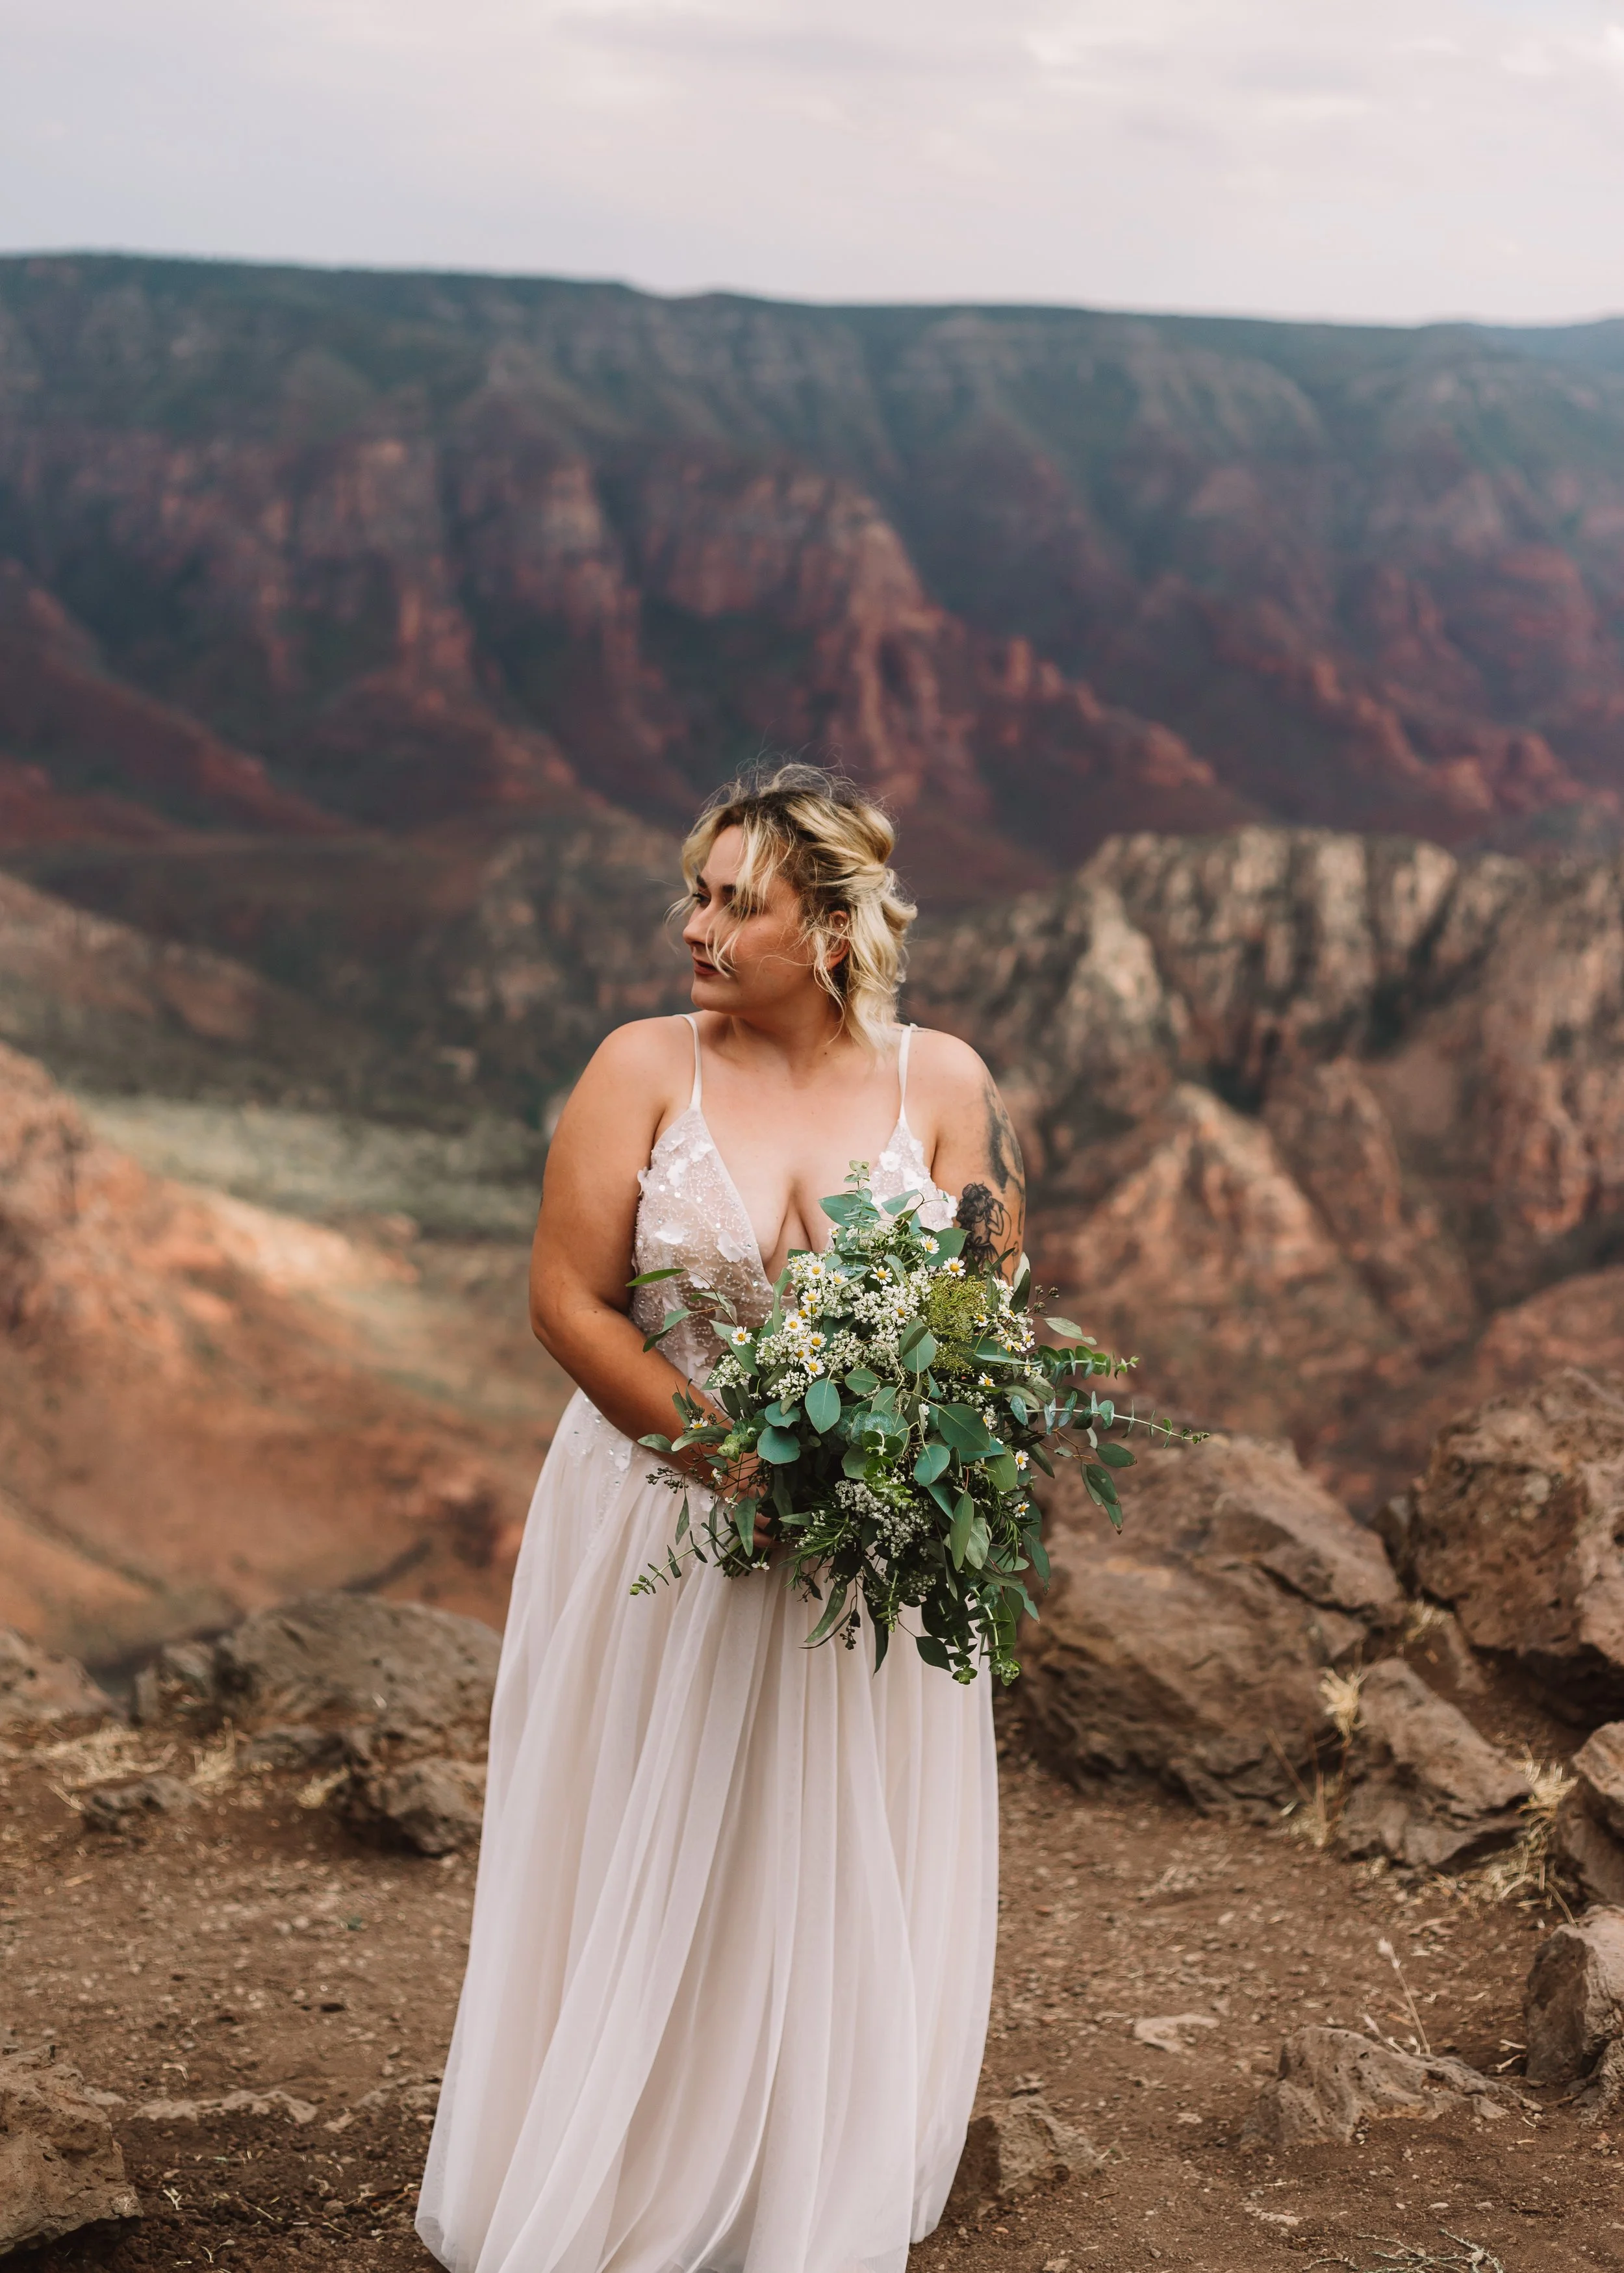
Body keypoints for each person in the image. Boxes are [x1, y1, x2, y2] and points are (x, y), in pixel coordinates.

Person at [418, 763, 1026, 2273]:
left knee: (825, 1837)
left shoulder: (940, 1084)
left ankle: (791, 2173)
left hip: (857, 1550)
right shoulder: (640, 1067)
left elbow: (991, 1295)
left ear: (827, 927)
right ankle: (617, 2163)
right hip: (656, 1527)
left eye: (730, 902)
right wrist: (739, 1466)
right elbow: (566, 1301)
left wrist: (891, 1445)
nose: (692, 926)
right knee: (645, 1823)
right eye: (695, 892)